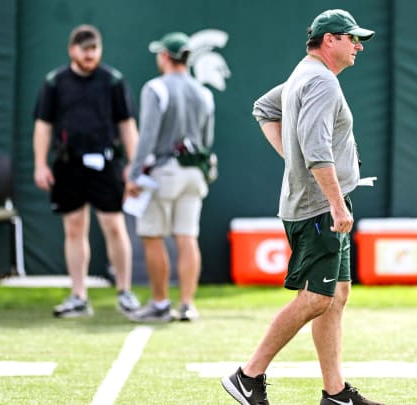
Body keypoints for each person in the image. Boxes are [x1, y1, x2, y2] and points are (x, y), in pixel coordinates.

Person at [221, 9, 385, 405]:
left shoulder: (304, 74)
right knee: (316, 297)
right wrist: (335, 204)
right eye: (352, 39)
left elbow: (264, 107)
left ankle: (335, 394)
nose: (359, 46)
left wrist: (291, 159)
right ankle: (248, 375)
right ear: (330, 40)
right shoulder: (320, 81)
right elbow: (315, 151)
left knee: (337, 293)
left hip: (319, 202)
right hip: (318, 208)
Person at [32, 24, 140, 318]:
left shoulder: (113, 80)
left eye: (94, 49)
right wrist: (40, 163)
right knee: (74, 228)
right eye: (84, 49)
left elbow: (127, 124)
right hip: (68, 164)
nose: (90, 55)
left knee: (115, 226)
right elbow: (43, 125)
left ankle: (124, 291)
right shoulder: (55, 82)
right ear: (72, 51)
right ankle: (78, 295)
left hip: (105, 163)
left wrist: (134, 163)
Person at [125, 32, 215, 322]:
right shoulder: (204, 92)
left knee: (152, 236)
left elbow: (147, 137)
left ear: (165, 56)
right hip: (194, 173)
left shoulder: (156, 88)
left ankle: (160, 303)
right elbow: (207, 139)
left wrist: (135, 173)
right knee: (187, 237)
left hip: (164, 172)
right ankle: (187, 304)